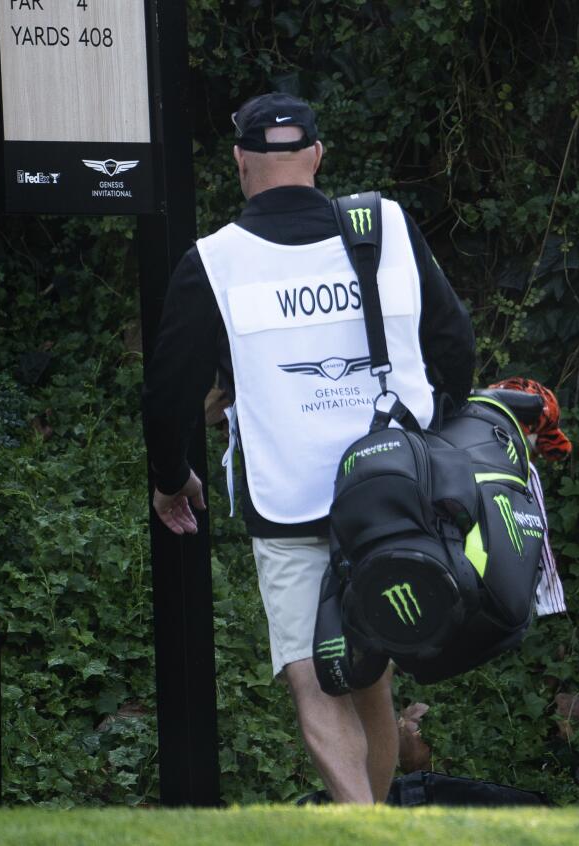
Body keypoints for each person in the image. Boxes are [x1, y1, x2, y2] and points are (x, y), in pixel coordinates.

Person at [141, 93, 474, 804]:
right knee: (370, 670)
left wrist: (172, 478)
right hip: (394, 494)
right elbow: (455, 345)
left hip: (289, 503)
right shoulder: (384, 225)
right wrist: (437, 436)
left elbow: (169, 392)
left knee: (311, 675)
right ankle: (377, 819)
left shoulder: (216, 261)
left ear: (239, 162)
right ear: (318, 157)